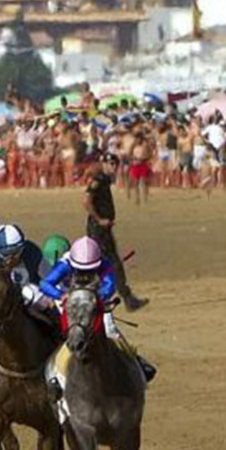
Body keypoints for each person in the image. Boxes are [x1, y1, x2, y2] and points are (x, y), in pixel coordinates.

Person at [40, 236, 156, 382]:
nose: (84, 272)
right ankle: (53, 378)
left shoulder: (104, 263)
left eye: (89, 269)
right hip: (69, 301)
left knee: (111, 329)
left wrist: (94, 297)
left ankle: (135, 363)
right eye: (80, 269)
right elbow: (46, 284)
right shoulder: (65, 263)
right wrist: (61, 295)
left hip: (94, 301)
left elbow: (109, 286)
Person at [84, 153, 148, 311]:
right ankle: (124, 298)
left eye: (115, 164)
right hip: (99, 229)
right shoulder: (98, 180)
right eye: (111, 163)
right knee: (111, 263)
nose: (113, 167)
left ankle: (123, 298)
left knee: (106, 263)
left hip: (103, 228)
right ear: (104, 163)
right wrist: (99, 219)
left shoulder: (104, 180)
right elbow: (86, 200)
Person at [0, 223, 48, 311]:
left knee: (30, 293)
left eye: (14, 254)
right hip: (3, 293)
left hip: (30, 290)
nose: (9, 260)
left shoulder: (34, 255)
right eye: (5, 255)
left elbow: (48, 278)